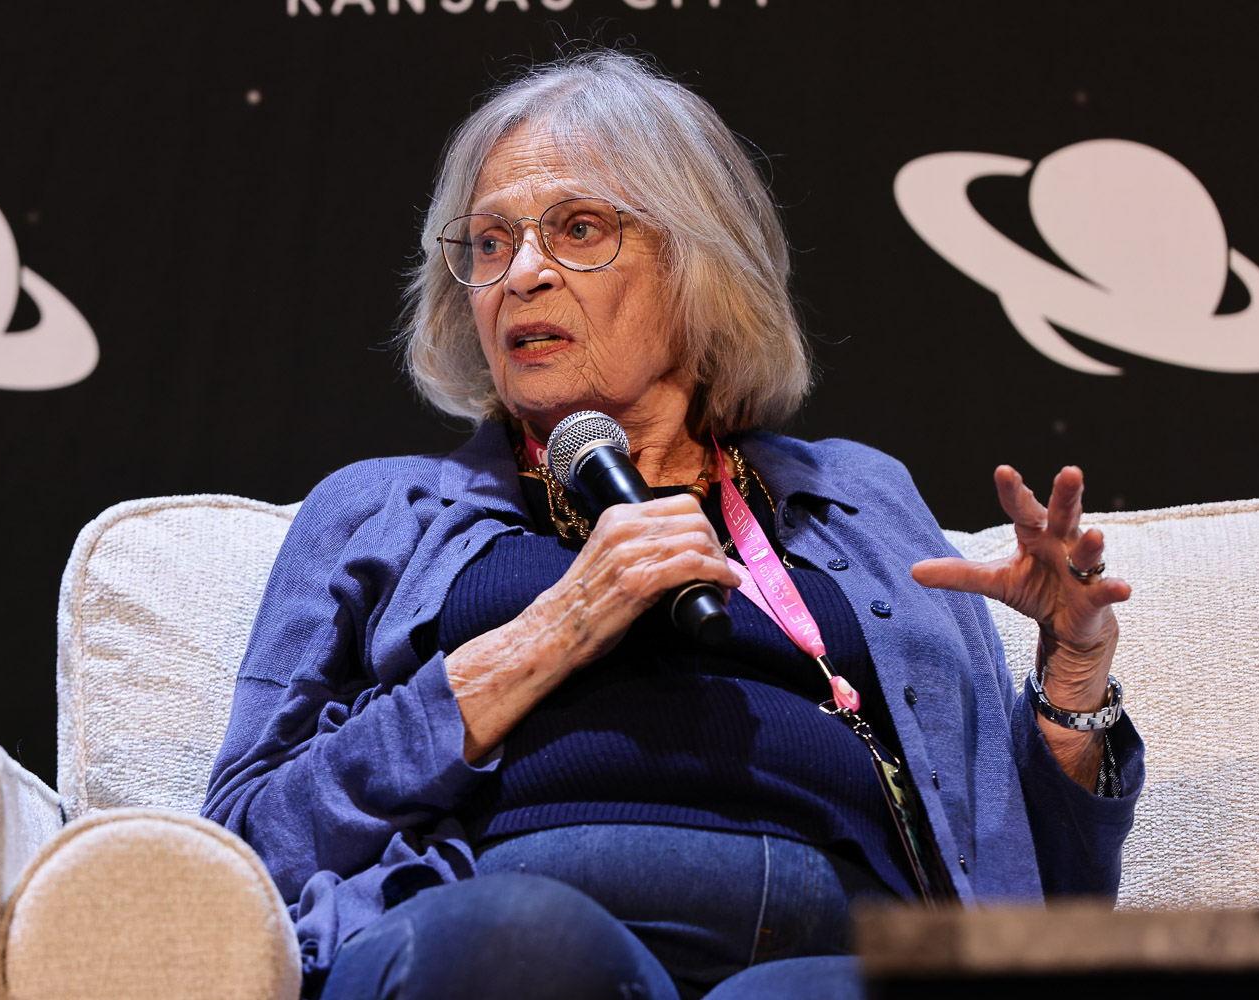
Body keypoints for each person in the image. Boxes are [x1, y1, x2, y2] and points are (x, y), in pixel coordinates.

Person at [203, 50, 1143, 1000]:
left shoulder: (860, 497)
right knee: (514, 947)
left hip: (846, 950)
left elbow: (1041, 913)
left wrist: (1074, 671)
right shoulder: (380, 510)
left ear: (698, 265)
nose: (520, 275)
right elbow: (242, 853)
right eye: (489, 243)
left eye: (578, 229)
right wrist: (548, 632)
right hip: (523, 927)